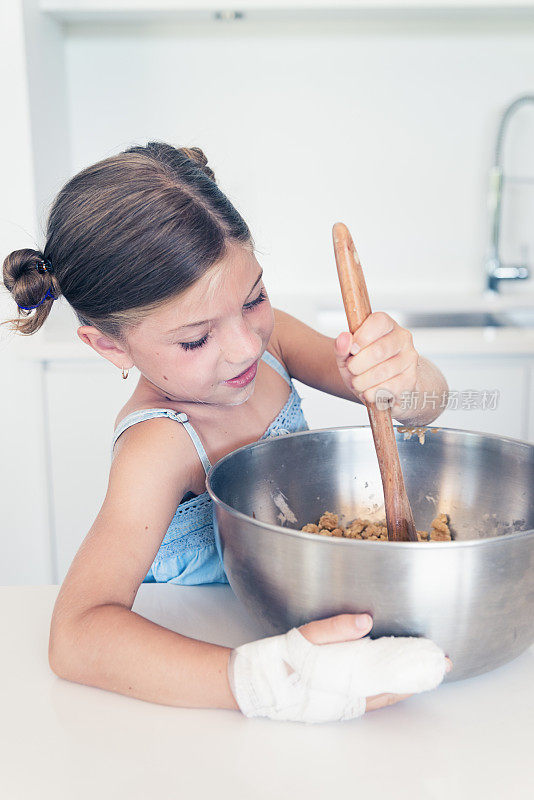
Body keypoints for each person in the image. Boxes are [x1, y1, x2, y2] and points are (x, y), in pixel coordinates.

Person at [2, 142, 451, 723]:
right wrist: (268, 680)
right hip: (204, 682)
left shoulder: (273, 342)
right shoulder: (160, 443)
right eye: (194, 339)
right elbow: (76, 635)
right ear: (108, 345)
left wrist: (405, 374)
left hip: (313, 628)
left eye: (254, 297)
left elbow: (425, 407)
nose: (244, 344)